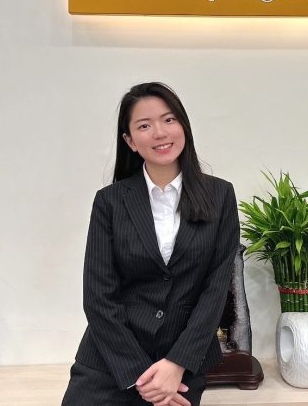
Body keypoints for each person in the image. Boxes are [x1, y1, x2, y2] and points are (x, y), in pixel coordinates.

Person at [62, 82, 240, 406]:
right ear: (130, 141)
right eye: (144, 126)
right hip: (110, 360)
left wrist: (176, 364)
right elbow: (98, 296)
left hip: (181, 364)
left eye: (169, 119)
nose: (160, 133)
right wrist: (139, 375)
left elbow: (215, 291)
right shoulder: (110, 201)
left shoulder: (220, 195)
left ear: (183, 126)